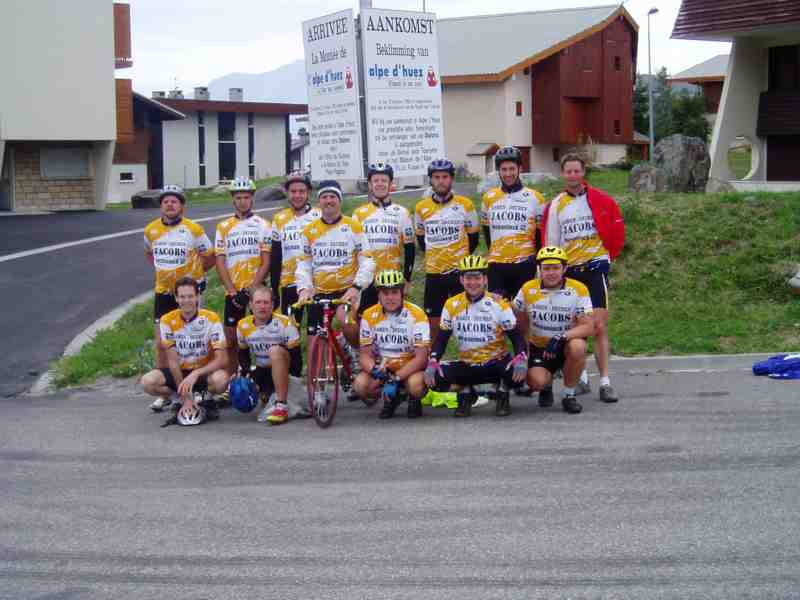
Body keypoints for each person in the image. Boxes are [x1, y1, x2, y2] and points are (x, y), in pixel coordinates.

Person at [543, 153, 625, 403]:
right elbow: (551, 243)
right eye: (568, 171)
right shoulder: (556, 204)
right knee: (576, 328)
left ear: (584, 172)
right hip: (572, 272)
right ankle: (581, 378)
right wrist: (550, 274)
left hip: (595, 268)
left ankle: (605, 382)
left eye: (577, 171)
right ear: (562, 174)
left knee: (599, 326)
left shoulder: (600, 199)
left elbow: (616, 229)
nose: (573, 176)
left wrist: (607, 258)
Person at [424, 255, 528, 417]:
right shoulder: (451, 304)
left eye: (477, 277)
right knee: (433, 378)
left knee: (519, 374)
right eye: (468, 278)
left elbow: (516, 337)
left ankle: (502, 391)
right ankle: (467, 391)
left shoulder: (498, 303)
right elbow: (442, 339)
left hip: (496, 363)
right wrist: (433, 360)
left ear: (485, 279)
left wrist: (521, 358)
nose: (472, 283)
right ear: (461, 280)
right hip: (467, 364)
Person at [143, 184, 214, 411]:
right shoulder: (150, 230)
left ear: (181, 206)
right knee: (162, 343)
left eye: (175, 201)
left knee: (196, 339)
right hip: (163, 293)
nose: (170, 204)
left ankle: (201, 386)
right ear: (161, 206)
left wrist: (196, 279)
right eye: (166, 201)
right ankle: (167, 393)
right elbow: (149, 254)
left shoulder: (194, 229)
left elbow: (210, 256)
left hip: (189, 295)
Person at [512, 246, 595, 414]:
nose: (551, 273)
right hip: (539, 347)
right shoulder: (528, 289)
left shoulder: (578, 289)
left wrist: (561, 337)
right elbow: (518, 320)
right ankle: (546, 386)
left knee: (578, 347)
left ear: (564, 269)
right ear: (539, 270)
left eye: (556, 268)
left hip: (565, 345)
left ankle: (568, 395)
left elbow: (588, 327)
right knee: (535, 382)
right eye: (546, 268)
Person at [296, 180, 375, 353]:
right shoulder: (309, 230)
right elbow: (304, 263)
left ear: (340, 200)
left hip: (347, 290)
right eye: (324, 197)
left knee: (344, 319)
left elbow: (367, 260)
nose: (328, 200)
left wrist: (356, 287)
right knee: (313, 344)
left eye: (332, 196)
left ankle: (355, 351)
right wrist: (303, 288)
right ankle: (319, 376)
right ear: (319, 202)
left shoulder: (353, 226)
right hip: (320, 291)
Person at [140, 277, 229, 423]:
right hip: (179, 371)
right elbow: (172, 361)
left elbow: (222, 359)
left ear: (198, 297)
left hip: (201, 371)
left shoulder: (211, 318)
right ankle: (179, 399)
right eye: (182, 297)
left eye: (190, 296)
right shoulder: (166, 320)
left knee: (222, 379)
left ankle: (204, 397)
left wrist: (196, 373)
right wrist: (185, 397)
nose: (186, 301)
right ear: (176, 298)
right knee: (147, 382)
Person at [414, 158, 480, 343]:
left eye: (445, 177)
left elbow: (473, 238)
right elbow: (421, 240)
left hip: (459, 273)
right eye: (436, 177)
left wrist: (459, 259)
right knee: (433, 323)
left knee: (466, 322)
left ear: (451, 179)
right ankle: (436, 361)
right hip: (434, 274)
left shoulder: (465, 204)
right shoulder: (421, 207)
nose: (441, 181)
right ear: (431, 180)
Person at [353, 270, 430, 419]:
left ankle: (413, 398)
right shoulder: (369, 315)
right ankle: (393, 399)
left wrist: (395, 379)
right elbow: (364, 355)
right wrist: (376, 372)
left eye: (394, 292)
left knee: (415, 386)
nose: (390, 298)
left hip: (410, 366)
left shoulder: (417, 314)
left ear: (402, 293)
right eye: (385, 293)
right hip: (385, 366)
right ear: (378, 295)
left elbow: (421, 358)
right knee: (360, 385)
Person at [215, 176, 272, 378]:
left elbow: (266, 261)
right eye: (238, 197)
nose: (242, 201)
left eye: (246, 197)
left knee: (263, 338)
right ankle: (232, 380)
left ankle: (265, 379)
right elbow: (220, 262)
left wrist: (250, 290)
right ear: (233, 200)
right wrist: (232, 292)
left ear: (252, 199)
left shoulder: (263, 225)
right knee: (230, 341)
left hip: (257, 290)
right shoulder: (223, 227)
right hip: (233, 291)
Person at [480, 145, 548, 300]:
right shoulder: (488, 198)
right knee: (498, 313)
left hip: (525, 263)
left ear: (520, 169)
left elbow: (539, 234)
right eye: (504, 170)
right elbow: (487, 232)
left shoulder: (535, 198)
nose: (508, 174)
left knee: (522, 314)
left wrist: (537, 263)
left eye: (512, 169)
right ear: (499, 171)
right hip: (496, 265)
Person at [353, 162, 415, 315]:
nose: (380, 184)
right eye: (376, 181)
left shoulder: (402, 212)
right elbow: (353, 249)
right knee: (364, 319)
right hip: (366, 278)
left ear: (390, 184)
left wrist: (407, 279)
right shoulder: (359, 214)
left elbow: (410, 248)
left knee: (392, 320)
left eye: (384, 180)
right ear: (369, 184)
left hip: (391, 278)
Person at [236, 286, 302, 425]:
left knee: (274, 351)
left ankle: (281, 404)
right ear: (251, 305)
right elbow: (243, 354)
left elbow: (297, 360)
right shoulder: (243, 325)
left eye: (266, 302)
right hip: (262, 372)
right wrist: (246, 374)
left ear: (272, 305)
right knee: (237, 385)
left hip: (285, 371)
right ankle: (266, 394)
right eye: (258, 302)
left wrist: (293, 383)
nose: (262, 306)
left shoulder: (286, 322)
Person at [270, 171, 321, 325]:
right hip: (289, 283)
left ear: (308, 193)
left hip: (315, 283)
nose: (297, 195)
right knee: (290, 332)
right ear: (287, 193)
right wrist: (274, 288)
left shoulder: (319, 216)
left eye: (301, 191)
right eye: (293, 191)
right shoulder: (279, 219)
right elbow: (276, 257)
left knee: (317, 331)